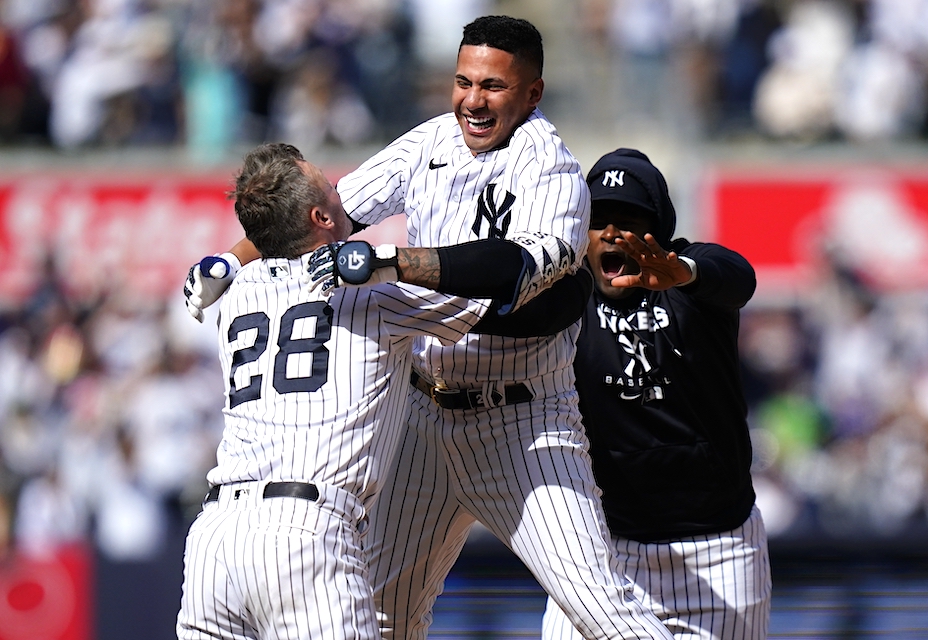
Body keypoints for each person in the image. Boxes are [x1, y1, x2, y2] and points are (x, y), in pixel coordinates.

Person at [184, 14, 677, 640]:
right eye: (463, 81)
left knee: (603, 612)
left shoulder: (548, 167)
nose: (473, 100)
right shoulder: (429, 143)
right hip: (420, 417)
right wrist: (231, 257)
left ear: (533, 94)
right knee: (382, 619)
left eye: (493, 87)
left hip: (520, 423)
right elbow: (319, 217)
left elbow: (520, 270)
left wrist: (393, 260)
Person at [176, 142, 496, 640]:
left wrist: (230, 257)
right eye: (329, 184)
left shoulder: (236, 293)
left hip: (214, 540)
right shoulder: (373, 296)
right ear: (320, 215)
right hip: (305, 533)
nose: (343, 191)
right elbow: (494, 290)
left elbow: (272, 238)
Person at [541, 148, 772, 640]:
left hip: (716, 552)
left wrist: (683, 272)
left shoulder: (693, 281)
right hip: (603, 554)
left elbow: (739, 277)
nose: (613, 233)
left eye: (630, 219)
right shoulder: (566, 293)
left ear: (661, 230)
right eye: (598, 218)